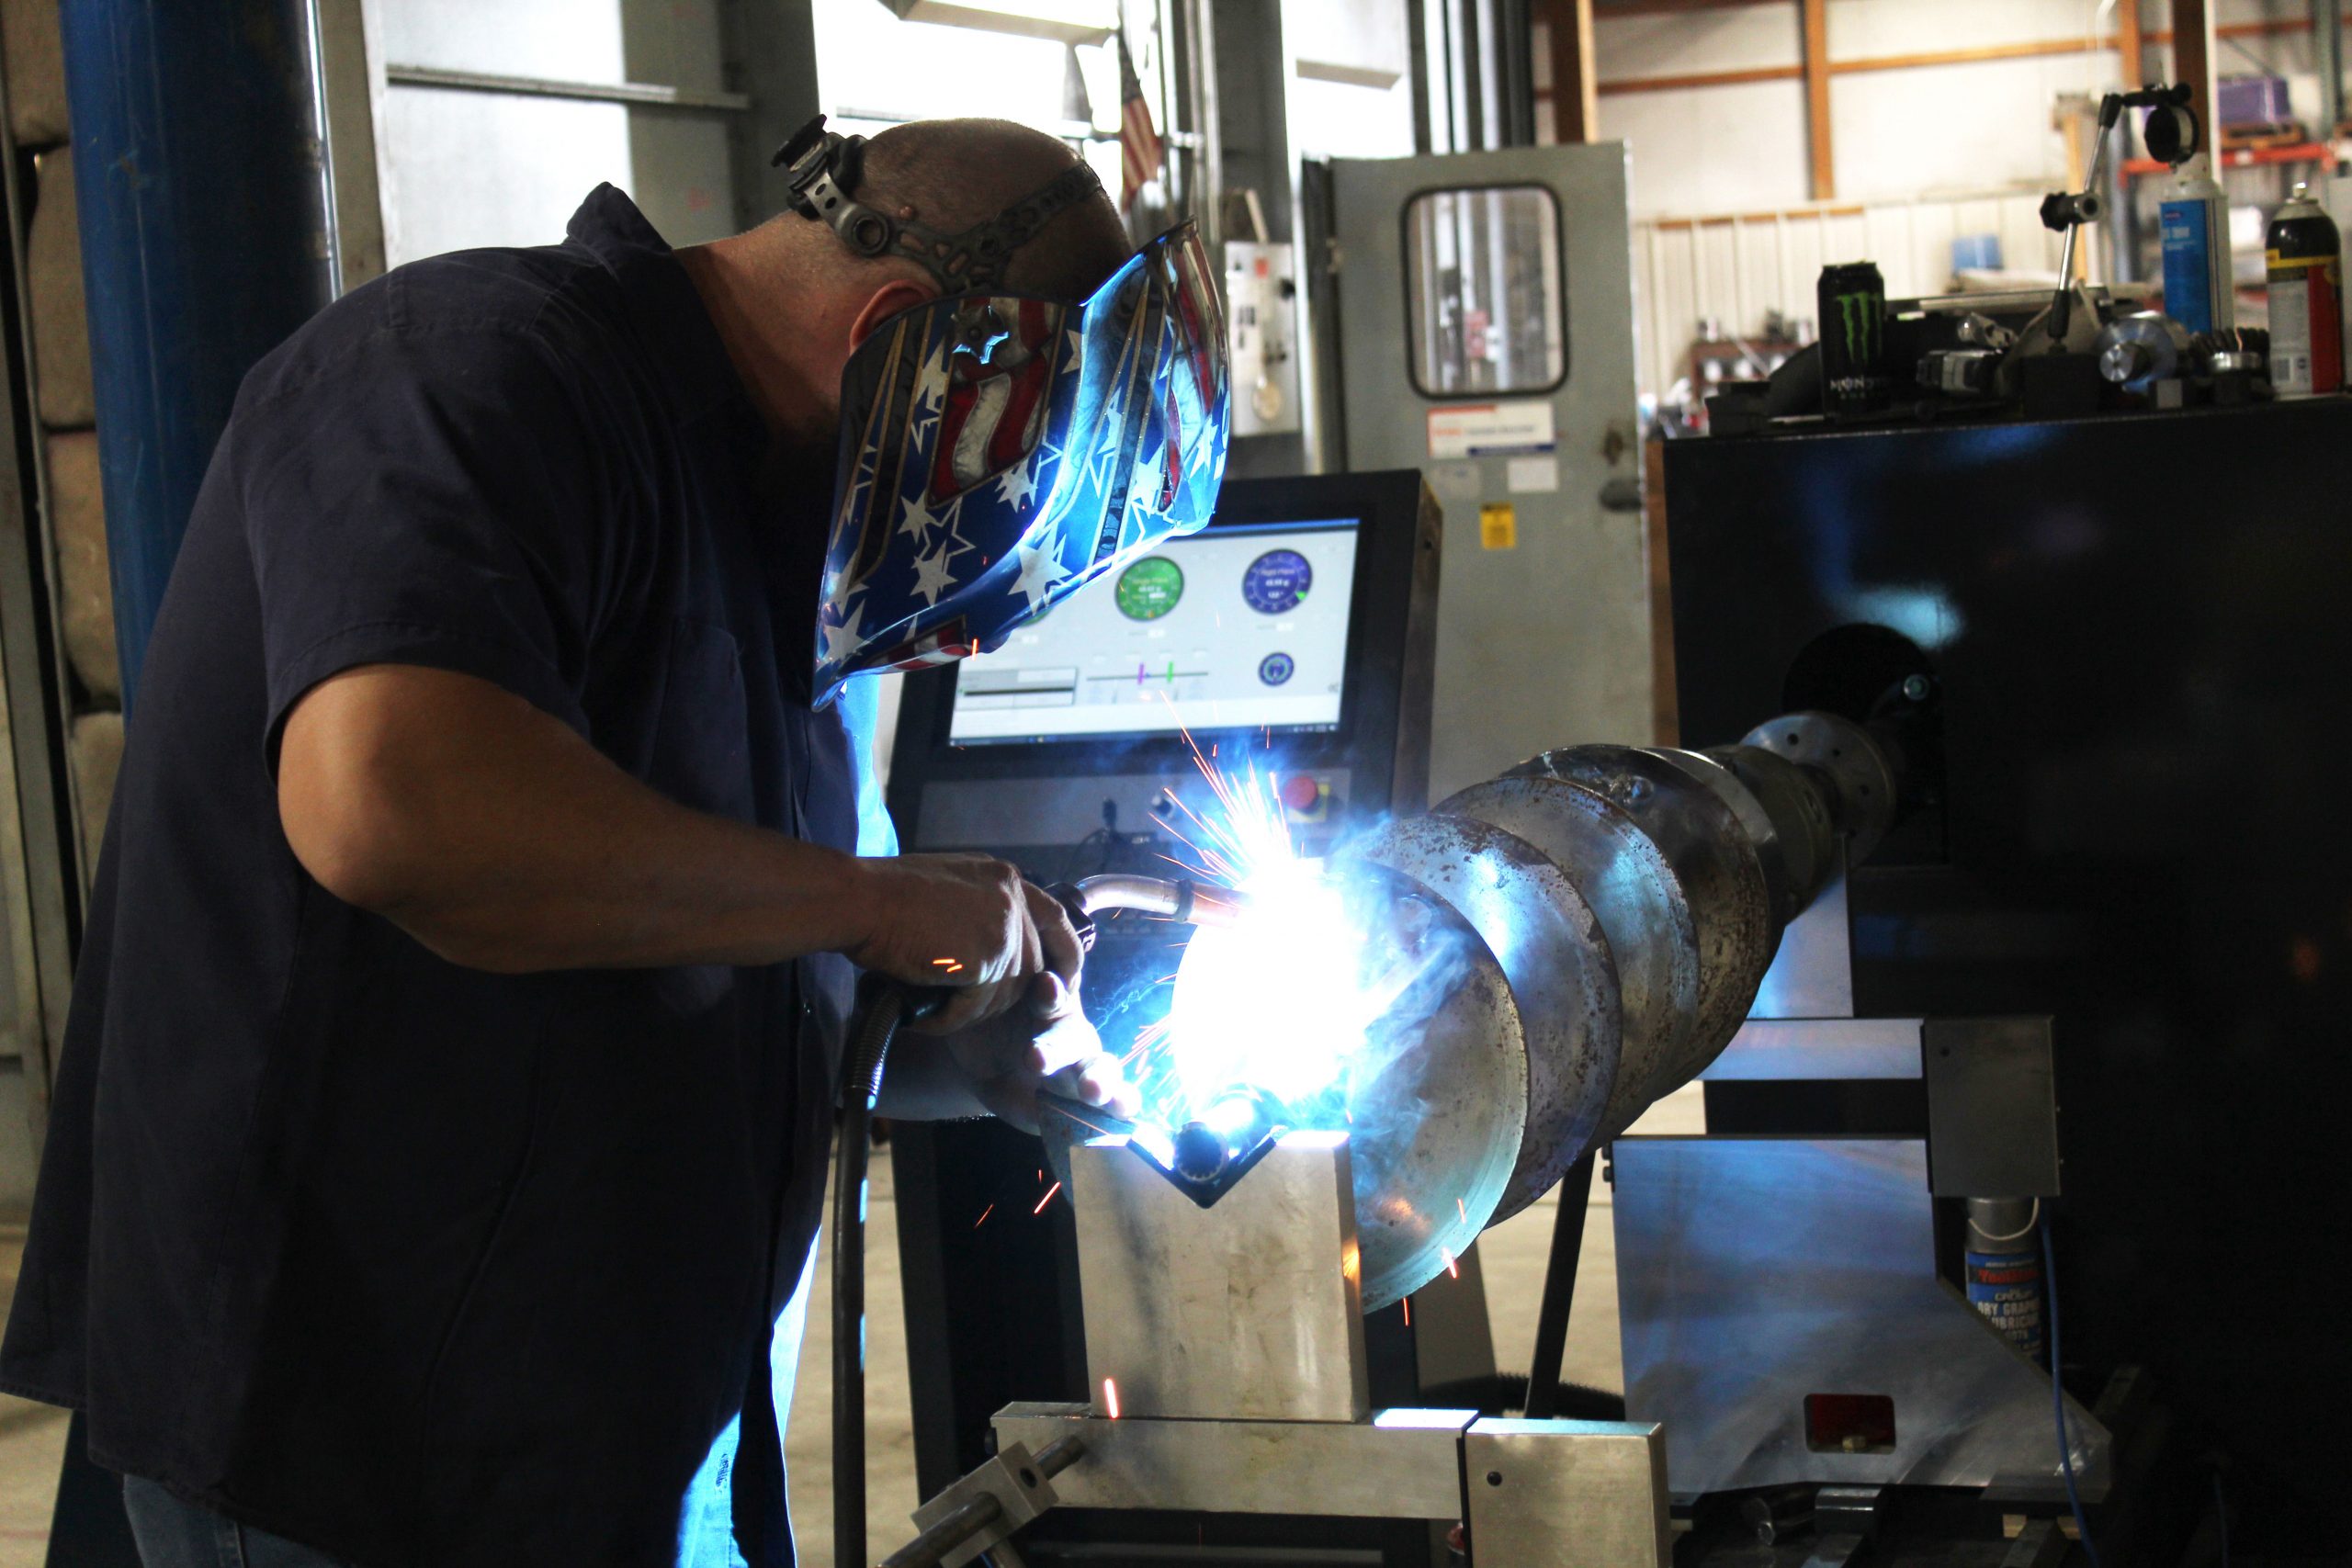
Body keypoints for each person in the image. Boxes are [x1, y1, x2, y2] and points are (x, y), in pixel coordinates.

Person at [0, 115, 1224, 1567]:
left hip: (628, 1449)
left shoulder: (788, 536)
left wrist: (968, 1029)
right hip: (367, 1460)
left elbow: (741, 945)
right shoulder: (465, 372)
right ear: (900, 341)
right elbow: (394, 805)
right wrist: (872, 904)